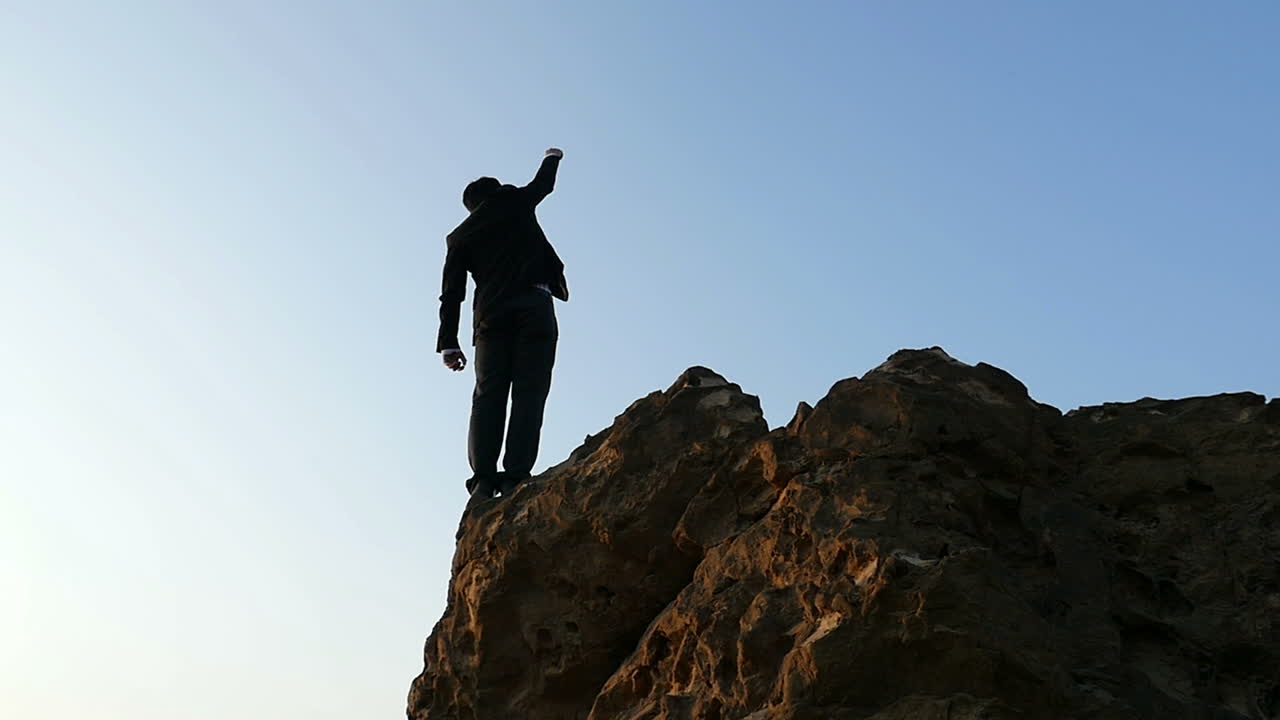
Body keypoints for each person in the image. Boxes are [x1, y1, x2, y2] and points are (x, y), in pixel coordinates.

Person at [436, 147, 569, 500]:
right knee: (530, 391)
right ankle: (514, 478)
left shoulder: (460, 237)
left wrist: (449, 342)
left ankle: (482, 481)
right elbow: (544, 184)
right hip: (533, 306)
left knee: (488, 395)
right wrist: (552, 156)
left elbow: (452, 294)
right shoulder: (515, 201)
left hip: (491, 317)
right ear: (497, 190)